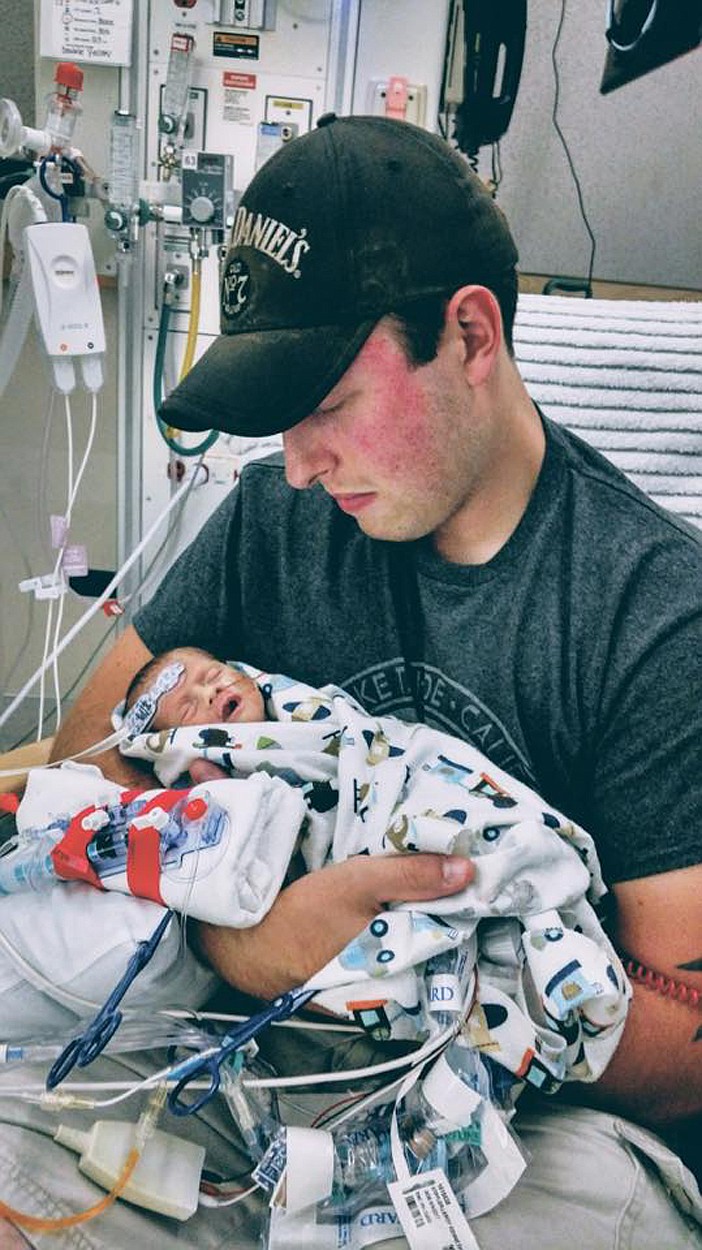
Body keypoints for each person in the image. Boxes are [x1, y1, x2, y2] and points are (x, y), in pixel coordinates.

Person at [3, 114, 699, 1247]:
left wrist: (403, 973)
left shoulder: (652, 614)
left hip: (518, 1123)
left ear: (470, 332)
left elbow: (682, 1046)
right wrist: (245, 935)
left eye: (325, 404)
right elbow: (96, 755)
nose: (295, 461)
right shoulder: (275, 519)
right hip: (236, 1055)